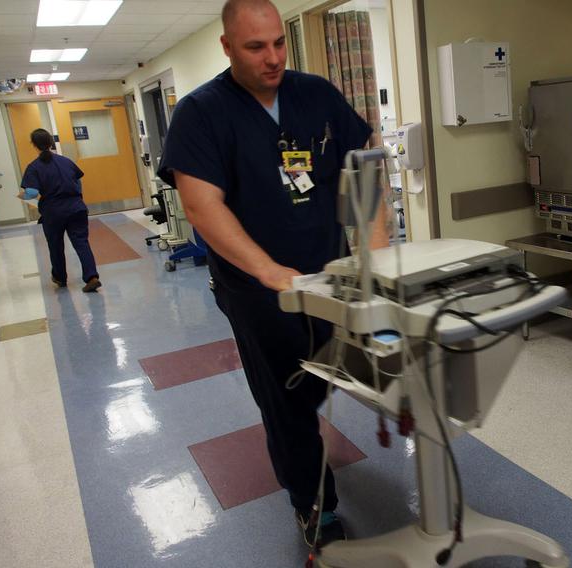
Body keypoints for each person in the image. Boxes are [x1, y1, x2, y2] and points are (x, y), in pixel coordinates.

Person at [157, 0, 388, 549]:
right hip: (258, 289)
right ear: (227, 47)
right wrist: (270, 272)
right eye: (255, 47)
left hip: (332, 277)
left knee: (363, 365)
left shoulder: (317, 95)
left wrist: (377, 257)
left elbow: (366, 167)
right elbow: (201, 206)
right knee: (288, 403)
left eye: (278, 43)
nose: (272, 58)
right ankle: (315, 510)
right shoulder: (203, 112)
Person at [21, 128, 102, 293]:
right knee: (81, 242)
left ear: (34, 145)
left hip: (53, 212)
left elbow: (32, 193)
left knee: (55, 245)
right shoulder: (66, 161)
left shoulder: (34, 167)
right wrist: (77, 199)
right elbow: (78, 182)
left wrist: (21, 195)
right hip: (76, 208)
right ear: (51, 142)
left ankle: (60, 277)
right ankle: (92, 277)